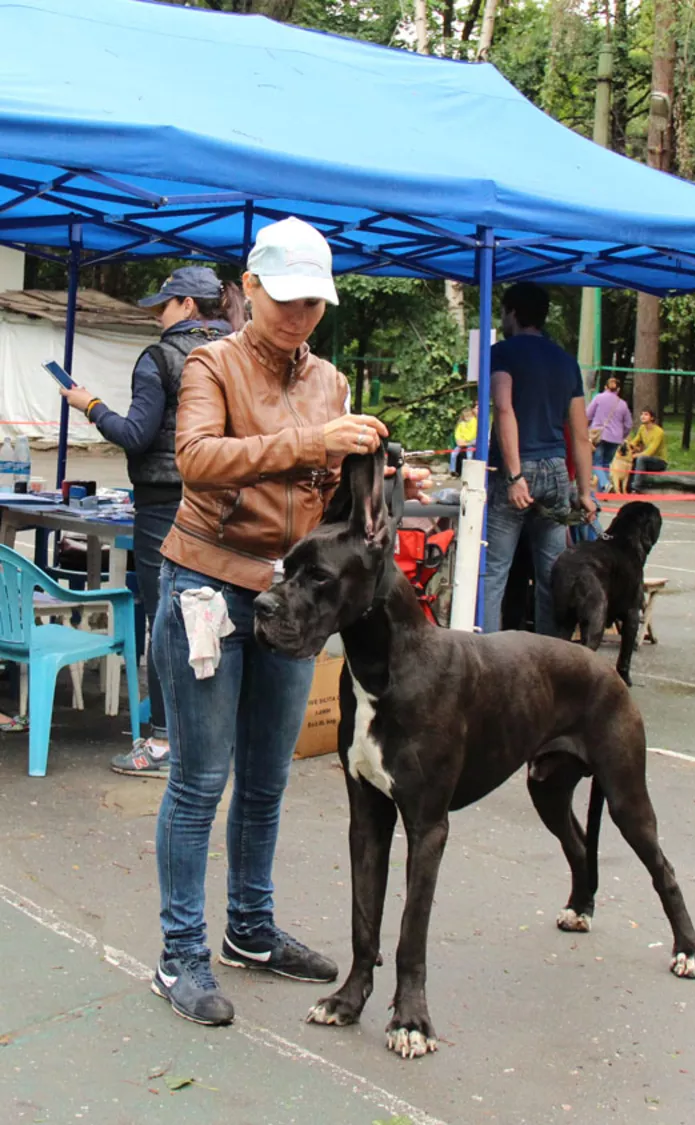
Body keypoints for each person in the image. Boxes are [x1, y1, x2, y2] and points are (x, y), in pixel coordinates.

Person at [148, 216, 429, 1027]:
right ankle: (180, 953)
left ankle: (250, 928)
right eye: (289, 298)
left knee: (269, 777)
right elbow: (194, 456)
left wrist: (375, 466)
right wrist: (308, 437)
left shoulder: (329, 380)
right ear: (252, 286)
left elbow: (329, 495)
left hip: (292, 599)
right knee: (200, 780)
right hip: (206, 584)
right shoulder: (211, 361)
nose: (301, 314)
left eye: (316, 302)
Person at [62, 267, 245, 778]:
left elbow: (136, 435)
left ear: (188, 306)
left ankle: (164, 742)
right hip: (227, 501)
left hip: (164, 504)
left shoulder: (160, 357)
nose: (156, 316)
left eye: (162, 306)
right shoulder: (240, 353)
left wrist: (90, 405)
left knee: (167, 620)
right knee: (216, 617)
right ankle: (212, 737)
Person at [483, 283, 595, 636]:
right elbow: (580, 433)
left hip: (519, 471)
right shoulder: (566, 362)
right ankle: (550, 660)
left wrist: (515, 475)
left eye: (503, 312)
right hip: (557, 470)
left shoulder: (502, 353)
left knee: (494, 570)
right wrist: (585, 492)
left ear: (513, 313)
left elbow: (503, 407)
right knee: (551, 574)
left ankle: (485, 657)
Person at [586, 376, 632, 489]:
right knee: (606, 464)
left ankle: (605, 484)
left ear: (605, 387)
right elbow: (628, 424)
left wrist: (587, 430)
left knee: (596, 462)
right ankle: (603, 491)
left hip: (599, 436)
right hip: (615, 439)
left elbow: (588, 415)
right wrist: (622, 436)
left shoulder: (598, 398)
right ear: (618, 390)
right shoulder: (623, 404)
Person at [629, 408, 668, 493]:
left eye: (646, 414)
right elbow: (634, 441)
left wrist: (636, 455)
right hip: (647, 459)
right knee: (631, 459)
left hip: (659, 461)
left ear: (652, 418)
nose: (642, 416)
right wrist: (629, 447)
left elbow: (650, 451)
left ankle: (636, 488)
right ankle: (627, 487)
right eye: (642, 414)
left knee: (640, 459)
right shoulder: (642, 428)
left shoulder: (659, 432)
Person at [449, 404, 478, 475]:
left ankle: (469, 471)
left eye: (468, 417)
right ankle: (452, 470)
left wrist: (466, 441)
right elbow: (457, 432)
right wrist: (459, 440)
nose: (467, 418)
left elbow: (473, 433)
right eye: (465, 417)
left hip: (470, 442)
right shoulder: (461, 423)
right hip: (461, 442)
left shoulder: (474, 422)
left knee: (469, 456)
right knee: (453, 454)